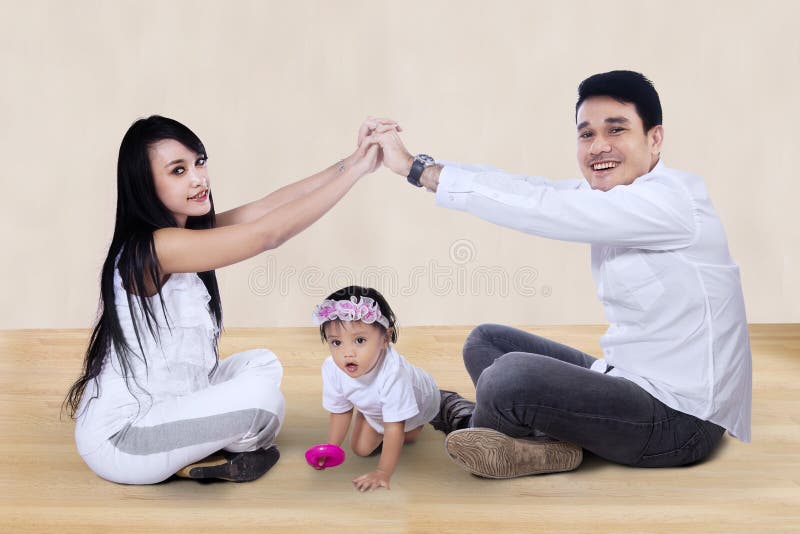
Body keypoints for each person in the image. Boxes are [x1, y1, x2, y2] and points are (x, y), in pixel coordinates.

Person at [367, 70, 752, 479]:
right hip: (627, 379)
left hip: (680, 421)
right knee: (486, 341)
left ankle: (469, 421)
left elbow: (541, 208)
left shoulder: (670, 204)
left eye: (616, 130)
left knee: (508, 377)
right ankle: (549, 447)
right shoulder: (620, 193)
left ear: (654, 138)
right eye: (586, 134)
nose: (598, 146)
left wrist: (412, 168)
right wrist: (420, 167)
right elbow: (529, 189)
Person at [64, 115, 393, 484]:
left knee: (262, 365)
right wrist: (358, 172)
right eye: (177, 170)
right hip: (125, 440)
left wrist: (353, 160)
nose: (197, 178)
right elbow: (267, 234)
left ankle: (196, 451)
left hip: (166, 404)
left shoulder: (184, 233)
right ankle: (196, 454)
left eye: (199, 162)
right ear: (144, 184)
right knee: (264, 404)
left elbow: (265, 209)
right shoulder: (156, 248)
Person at [310, 286, 439, 491]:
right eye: (336, 342)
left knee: (408, 434)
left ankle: (443, 407)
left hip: (423, 399)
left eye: (359, 340)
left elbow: (395, 427)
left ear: (385, 339)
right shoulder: (332, 368)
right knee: (361, 449)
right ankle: (370, 406)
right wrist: (331, 448)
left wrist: (382, 472)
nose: (347, 353)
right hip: (378, 402)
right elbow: (340, 411)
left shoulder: (393, 373)